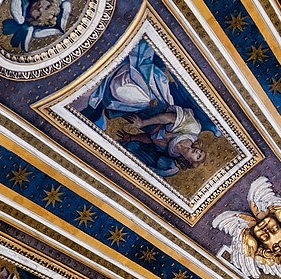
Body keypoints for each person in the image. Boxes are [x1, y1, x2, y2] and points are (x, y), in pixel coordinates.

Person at [83, 39, 216, 178]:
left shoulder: (170, 152)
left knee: (113, 101)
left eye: (198, 157)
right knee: (122, 89)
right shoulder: (193, 130)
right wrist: (143, 123)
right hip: (154, 104)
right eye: (200, 153)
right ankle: (111, 63)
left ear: (189, 162)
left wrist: (132, 137)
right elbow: (169, 117)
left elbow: (151, 139)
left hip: (143, 118)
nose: (198, 153)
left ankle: (96, 76)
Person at [2, 0, 71, 52]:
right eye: (47, 7)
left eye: (38, 15)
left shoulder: (23, 9)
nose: (40, 9)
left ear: (33, 20)